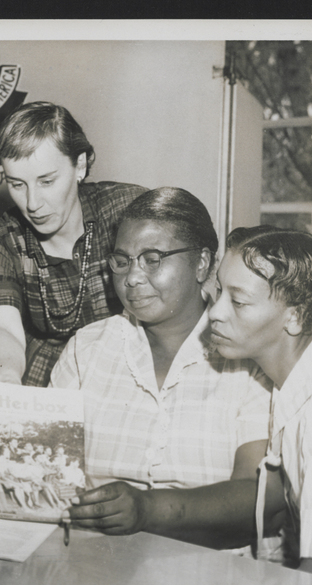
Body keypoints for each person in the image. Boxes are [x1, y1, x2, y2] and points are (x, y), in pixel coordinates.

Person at [52, 187, 277, 550]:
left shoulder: (249, 357)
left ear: (202, 263)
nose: (133, 278)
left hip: (212, 572)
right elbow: (46, 472)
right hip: (90, 563)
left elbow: (258, 496)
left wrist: (147, 509)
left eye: (152, 258)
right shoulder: (87, 348)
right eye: (121, 261)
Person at [209, 226, 312, 579]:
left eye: (238, 301)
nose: (215, 313)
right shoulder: (292, 378)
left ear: (295, 316)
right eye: (218, 293)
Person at [0, 101, 147, 387]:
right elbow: (2, 327)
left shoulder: (130, 211)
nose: (32, 204)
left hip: (130, 368)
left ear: (79, 164)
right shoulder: (0, 238)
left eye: (46, 181)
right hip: (44, 377)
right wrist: (6, 378)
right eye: (17, 184)